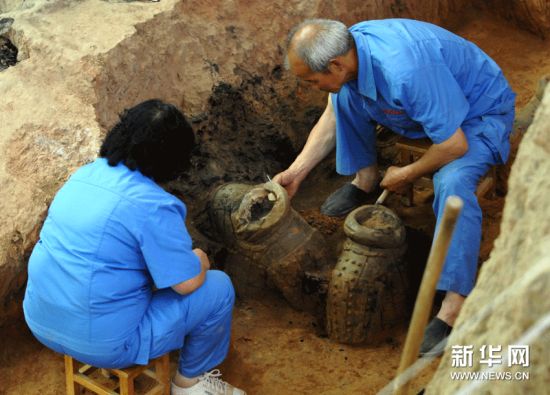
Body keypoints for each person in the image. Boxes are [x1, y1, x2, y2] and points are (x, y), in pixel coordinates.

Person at [275, 19, 515, 356]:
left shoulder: (404, 70)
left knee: (452, 181)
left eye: (312, 80)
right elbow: (332, 115)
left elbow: (454, 146)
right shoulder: (349, 47)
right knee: (341, 97)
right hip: (431, 102)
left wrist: (407, 174)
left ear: (336, 64)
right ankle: (366, 179)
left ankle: (455, 304)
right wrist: (296, 171)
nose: (312, 87)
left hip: (477, 113)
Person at [23, 100, 246, 395]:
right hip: (106, 343)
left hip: (39, 320)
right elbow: (186, 284)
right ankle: (189, 383)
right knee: (218, 287)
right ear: (173, 158)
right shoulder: (154, 205)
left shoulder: (82, 176)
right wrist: (201, 260)